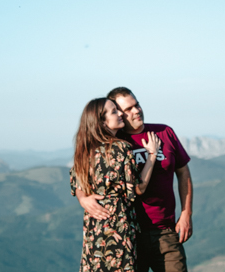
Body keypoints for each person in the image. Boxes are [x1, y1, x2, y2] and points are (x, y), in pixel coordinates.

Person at [77, 88, 193, 272]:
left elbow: (183, 172)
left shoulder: (164, 132)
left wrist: (186, 214)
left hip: (165, 232)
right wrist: (82, 197)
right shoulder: (113, 142)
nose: (137, 110)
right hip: (128, 236)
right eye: (128, 109)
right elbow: (81, 171)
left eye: (136, 105)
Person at [71, 97, 160, 272]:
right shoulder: (120, 148)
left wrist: (83, 198)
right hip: (118, 224)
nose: (120, 113)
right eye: (114, 111)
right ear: (102, 122)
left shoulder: (84, 150)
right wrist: (152, 155)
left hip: (94, 226)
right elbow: (138, 188)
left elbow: (76, 183)